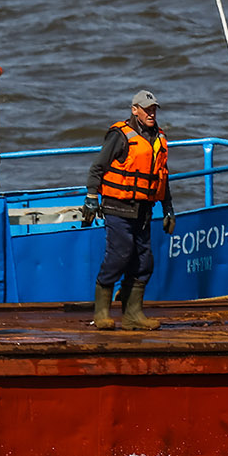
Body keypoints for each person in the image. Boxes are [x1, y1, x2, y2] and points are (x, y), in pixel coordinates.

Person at [83, 89, 175, 330]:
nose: (151, 113)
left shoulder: (159, 138)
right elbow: (97, 168)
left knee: (145, 262)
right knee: (119, 256)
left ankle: (133, 314)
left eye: (154, 109)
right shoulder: (120, 136)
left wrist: (168, 209)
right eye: (146, 109)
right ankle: (102, 312)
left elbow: (162, 179)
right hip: (118, 207)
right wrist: (92, 197)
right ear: (135, 110)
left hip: (144, 210)